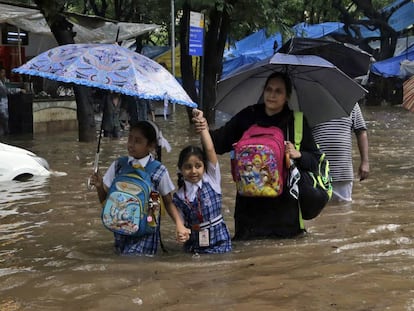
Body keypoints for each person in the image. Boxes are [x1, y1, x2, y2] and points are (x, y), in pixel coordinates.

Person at [194, 72, 321, 240]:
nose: (272, 95)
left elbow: (315, 162)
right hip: (248, 216)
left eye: (278, 91)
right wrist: (203, 127)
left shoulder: (296, 122)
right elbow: (218, 144)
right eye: (269, 89)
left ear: (287, 96)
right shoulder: (248, 116)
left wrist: (298, 155)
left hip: (285, 216)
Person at [89, 121, 190, 255]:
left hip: (147, 233)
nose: (131, 144)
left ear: (151, 146)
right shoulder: (119, 165)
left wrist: (179, 224)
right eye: (130, 138)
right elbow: (106, 202)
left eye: (137, 141)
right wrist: (99, 186)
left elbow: (168, 202)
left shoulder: (159, 170)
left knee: (134, 264)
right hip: (120, 229)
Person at [172, 109, 232, 254]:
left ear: (205, 167)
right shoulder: (179, 197)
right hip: (195, 247)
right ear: (180, 169)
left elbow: (210, 149)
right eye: (188, 167)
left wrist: (203, 127)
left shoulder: (211, 179)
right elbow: (180, 224)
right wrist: (181, 235)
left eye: (198, 166)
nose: (193, 171)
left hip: (220, 243)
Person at [311, 103, 369, 202]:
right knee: (319, 209)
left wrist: (365, 162)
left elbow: (361, 132)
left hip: (342, 172)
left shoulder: (350, 102)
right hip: (318, 170)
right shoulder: (310, 104)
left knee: (343, 211)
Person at [0, 67, 25, 136]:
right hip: (2, 106)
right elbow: (7, 91)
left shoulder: (4, 81)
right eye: (2, 72)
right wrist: (19, 90)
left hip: (4, 105)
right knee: (4, 122)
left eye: (4, 73)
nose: (4, 74)